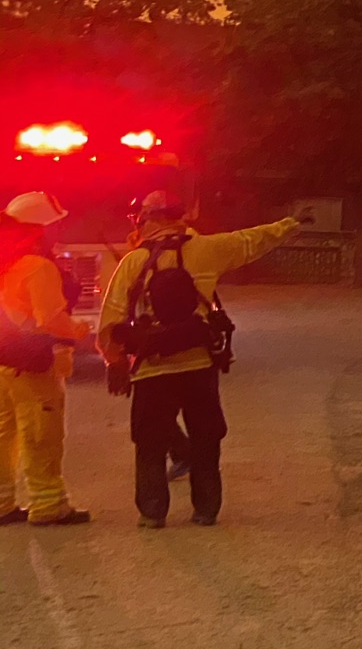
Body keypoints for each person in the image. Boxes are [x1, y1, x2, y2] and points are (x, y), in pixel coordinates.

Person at [98, 192, 300, 529]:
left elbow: (111, 320)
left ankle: (152, 513)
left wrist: (114, 362)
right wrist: (290, 224)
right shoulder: (208, 249)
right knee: (206, 439)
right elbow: (251, 240)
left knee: (150, 444)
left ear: (150, 218)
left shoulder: (133, 262)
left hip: (151, 370)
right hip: (198, 366)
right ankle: (206, 510)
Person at [0, 192, 92, 526]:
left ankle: (2, 503)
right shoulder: (37, 268)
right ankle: (48, 504)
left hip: (4, 363)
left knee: (4, 434)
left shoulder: (6, 262)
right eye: (55, 224)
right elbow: (50, 320)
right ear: (39, 229)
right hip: (34, 363)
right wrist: (80, 330)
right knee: (41, 434)